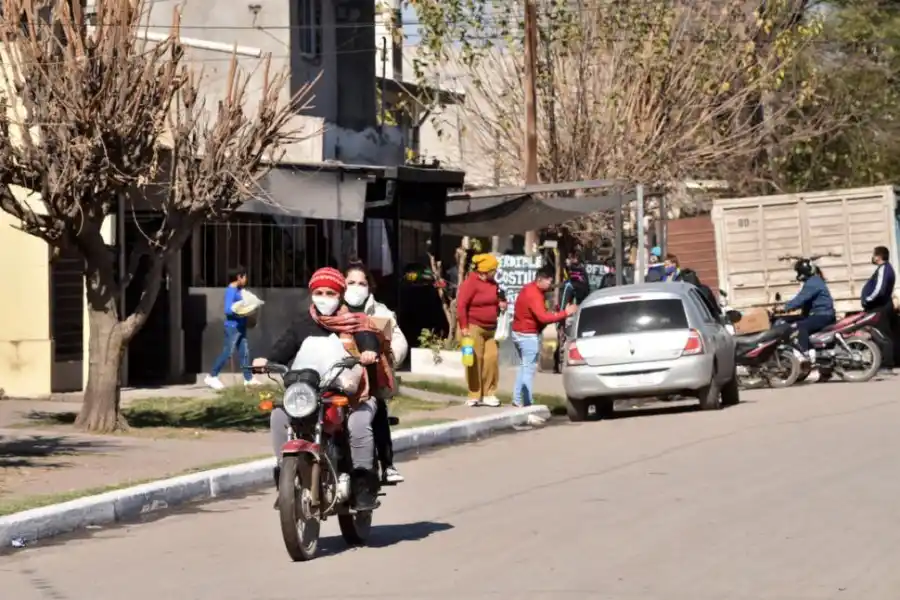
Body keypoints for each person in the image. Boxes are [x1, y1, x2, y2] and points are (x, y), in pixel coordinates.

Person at [254, 267, 389, 512]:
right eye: (318, 292)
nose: (323, 297)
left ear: (340, 294)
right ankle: (286, 482)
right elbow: (284, 347)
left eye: (329, 292)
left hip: (352, 394)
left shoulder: (355, 321)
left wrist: (369, 352)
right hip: (310, 392)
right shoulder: (303, 322)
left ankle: (362, 486)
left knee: (358, 425)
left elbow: (368, 338)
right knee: (279, 415)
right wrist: (266, 360)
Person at [344, 260, 409, 484]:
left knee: (377, 406)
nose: (356, 287)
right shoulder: (333, 310)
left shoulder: (380, 311)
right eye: (350, 282)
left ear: (369, 287)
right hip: (338, 374)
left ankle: (387, 464)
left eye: (361, 283)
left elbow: (398, 340)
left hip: (372, 374)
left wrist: (388, 358)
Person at [512, 265, 577, 407]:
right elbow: (543, 318)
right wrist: (565, 313)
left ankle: (517, 399)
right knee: (528, 369)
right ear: (539, 279)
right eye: (548, 280)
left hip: (518, 332)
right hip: (526, 335)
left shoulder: (529, 289)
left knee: (524, 367)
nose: (550, 283)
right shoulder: (534, 294)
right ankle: (527, 403)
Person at [456, 253, 507, 407]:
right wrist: (464, 327)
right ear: (485, 270)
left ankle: (489, 393)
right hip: (473, 327)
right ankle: (474, 394)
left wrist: (502, 303)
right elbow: (461, 305)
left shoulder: (494, 284)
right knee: (474, 360)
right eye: (493, 270)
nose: (495, 272)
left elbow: (498, 299)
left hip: (491, 328)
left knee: (491, 359)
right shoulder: (471, 283)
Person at [205, 266, 259, 390]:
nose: (246, 279)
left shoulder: (239, 290)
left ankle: (248, 379)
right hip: (233, 328)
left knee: (244, 353)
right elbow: (228, 310)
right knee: (227, 352)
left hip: (241, 326)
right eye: (244, 277)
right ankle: (212, 376)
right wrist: (244, 312)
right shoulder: (231, 290)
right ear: (239, 277)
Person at [783, 259, 836, 360]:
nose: (798, 274)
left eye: (799, 272)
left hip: (822, 315)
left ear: (804, 272)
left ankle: (804, 356)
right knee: (796, 321)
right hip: (820, 314)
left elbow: (801, 299)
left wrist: (784, 307)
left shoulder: (813, 282)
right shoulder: (814, 280)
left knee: (798, 327)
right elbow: (804, 300)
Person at [861, 245, 896, 369]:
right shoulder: (885, 268)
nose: (873, 257)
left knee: (882, 335)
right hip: (882, 305)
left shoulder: (884, 269)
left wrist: (868, 299)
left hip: (880, 306)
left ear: (879, 257)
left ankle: (887, 364)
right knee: (883, 334)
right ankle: (886, 362)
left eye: (874, 254)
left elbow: (879, 289)